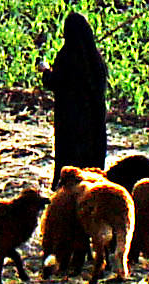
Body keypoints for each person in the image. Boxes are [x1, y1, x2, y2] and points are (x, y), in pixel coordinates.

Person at [45, 13, 109, 177]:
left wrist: (45, 71)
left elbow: (54, 83)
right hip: (94, 124)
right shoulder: (96, 60)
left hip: (70, 123)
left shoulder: (66, 57)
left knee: (69, 160)